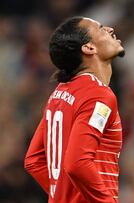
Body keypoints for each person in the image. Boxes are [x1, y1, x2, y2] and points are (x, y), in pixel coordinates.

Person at [24, 16, 125, 203]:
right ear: (89, 48)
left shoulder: (59, 94)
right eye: (101, 28)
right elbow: (77, 163)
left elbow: (34, 160)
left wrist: (65, 196)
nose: (110, 29)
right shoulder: (98, 94)